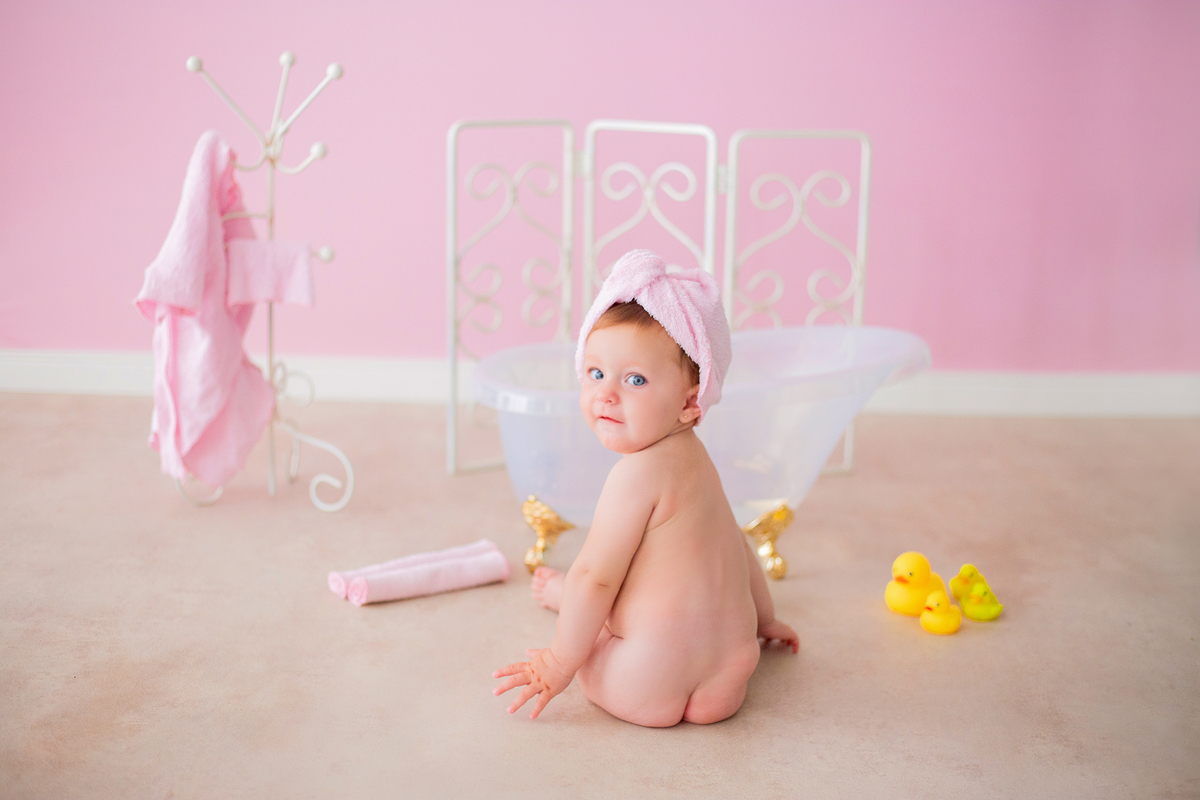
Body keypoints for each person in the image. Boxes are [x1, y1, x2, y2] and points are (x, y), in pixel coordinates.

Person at [493, 249, 798, 727]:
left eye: (635, 379)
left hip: (645, 678)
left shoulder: (634, 474)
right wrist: (765, 622)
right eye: (595, 373)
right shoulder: (699, 462)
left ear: (689, 401)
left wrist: (557, 661)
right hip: (730, 672)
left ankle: (560, 597)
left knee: (593, 586)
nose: (606, 393)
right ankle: (567, 596)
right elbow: (738, 547)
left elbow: (596, 576)